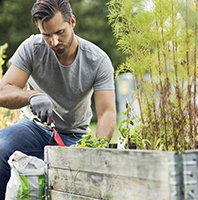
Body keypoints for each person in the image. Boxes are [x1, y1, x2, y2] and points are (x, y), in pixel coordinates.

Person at [0, 0, 116, 198]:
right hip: (34, 129)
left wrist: (97, 150)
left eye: (60, 32)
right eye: (47, 35)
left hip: (74, 136)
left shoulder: (98, 60)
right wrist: (32, 96)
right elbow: (3, 92)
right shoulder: (32, 48)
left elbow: (106, 112)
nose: (54, 41)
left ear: (72, 22)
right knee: (2, 147)